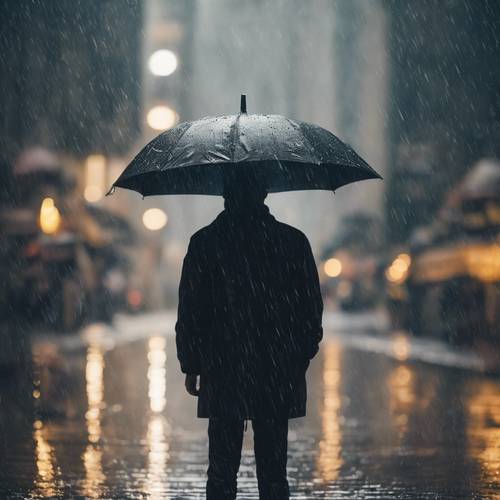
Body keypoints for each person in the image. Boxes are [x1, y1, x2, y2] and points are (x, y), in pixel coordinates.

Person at [175, 171, 323, 500]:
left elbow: (190, 310)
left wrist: (191, 363)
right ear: (265, 193)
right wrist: (298, 356)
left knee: (221, 472)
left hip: (223, 368)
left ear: (225, 195)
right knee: (273, 473)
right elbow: (310, 310)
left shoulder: (205, 243)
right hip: (275, 369)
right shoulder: (292, 242)